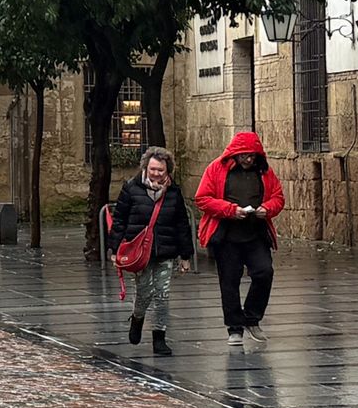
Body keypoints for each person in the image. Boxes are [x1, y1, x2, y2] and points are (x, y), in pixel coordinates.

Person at [195, 131, 284, 345]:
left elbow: (278, 197)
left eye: (252, 156)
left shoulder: (264, 171)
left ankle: (252, 318)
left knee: (264, 272)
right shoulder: (216, 168)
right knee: (229, 281)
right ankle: (234, 328)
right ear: (235, 154)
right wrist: (230, 210)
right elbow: (202, 198)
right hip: (227, 235)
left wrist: (267, 209)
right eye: (244, 155)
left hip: (255, 233)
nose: (248, 159)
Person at [108, 146, 193, 356]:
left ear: (168, 171)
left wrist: (186, 256)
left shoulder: (173, 192)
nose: (156, 173)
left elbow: (182, 224)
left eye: (161, 170)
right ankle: (137, 318)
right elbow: (119, 220)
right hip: (139, 251)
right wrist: (114, 249)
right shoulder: (131, 188)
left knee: (162, 294)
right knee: (145, 292)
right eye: (153, 168)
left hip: (165, 250)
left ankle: (159, 337)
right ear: (146, 167)